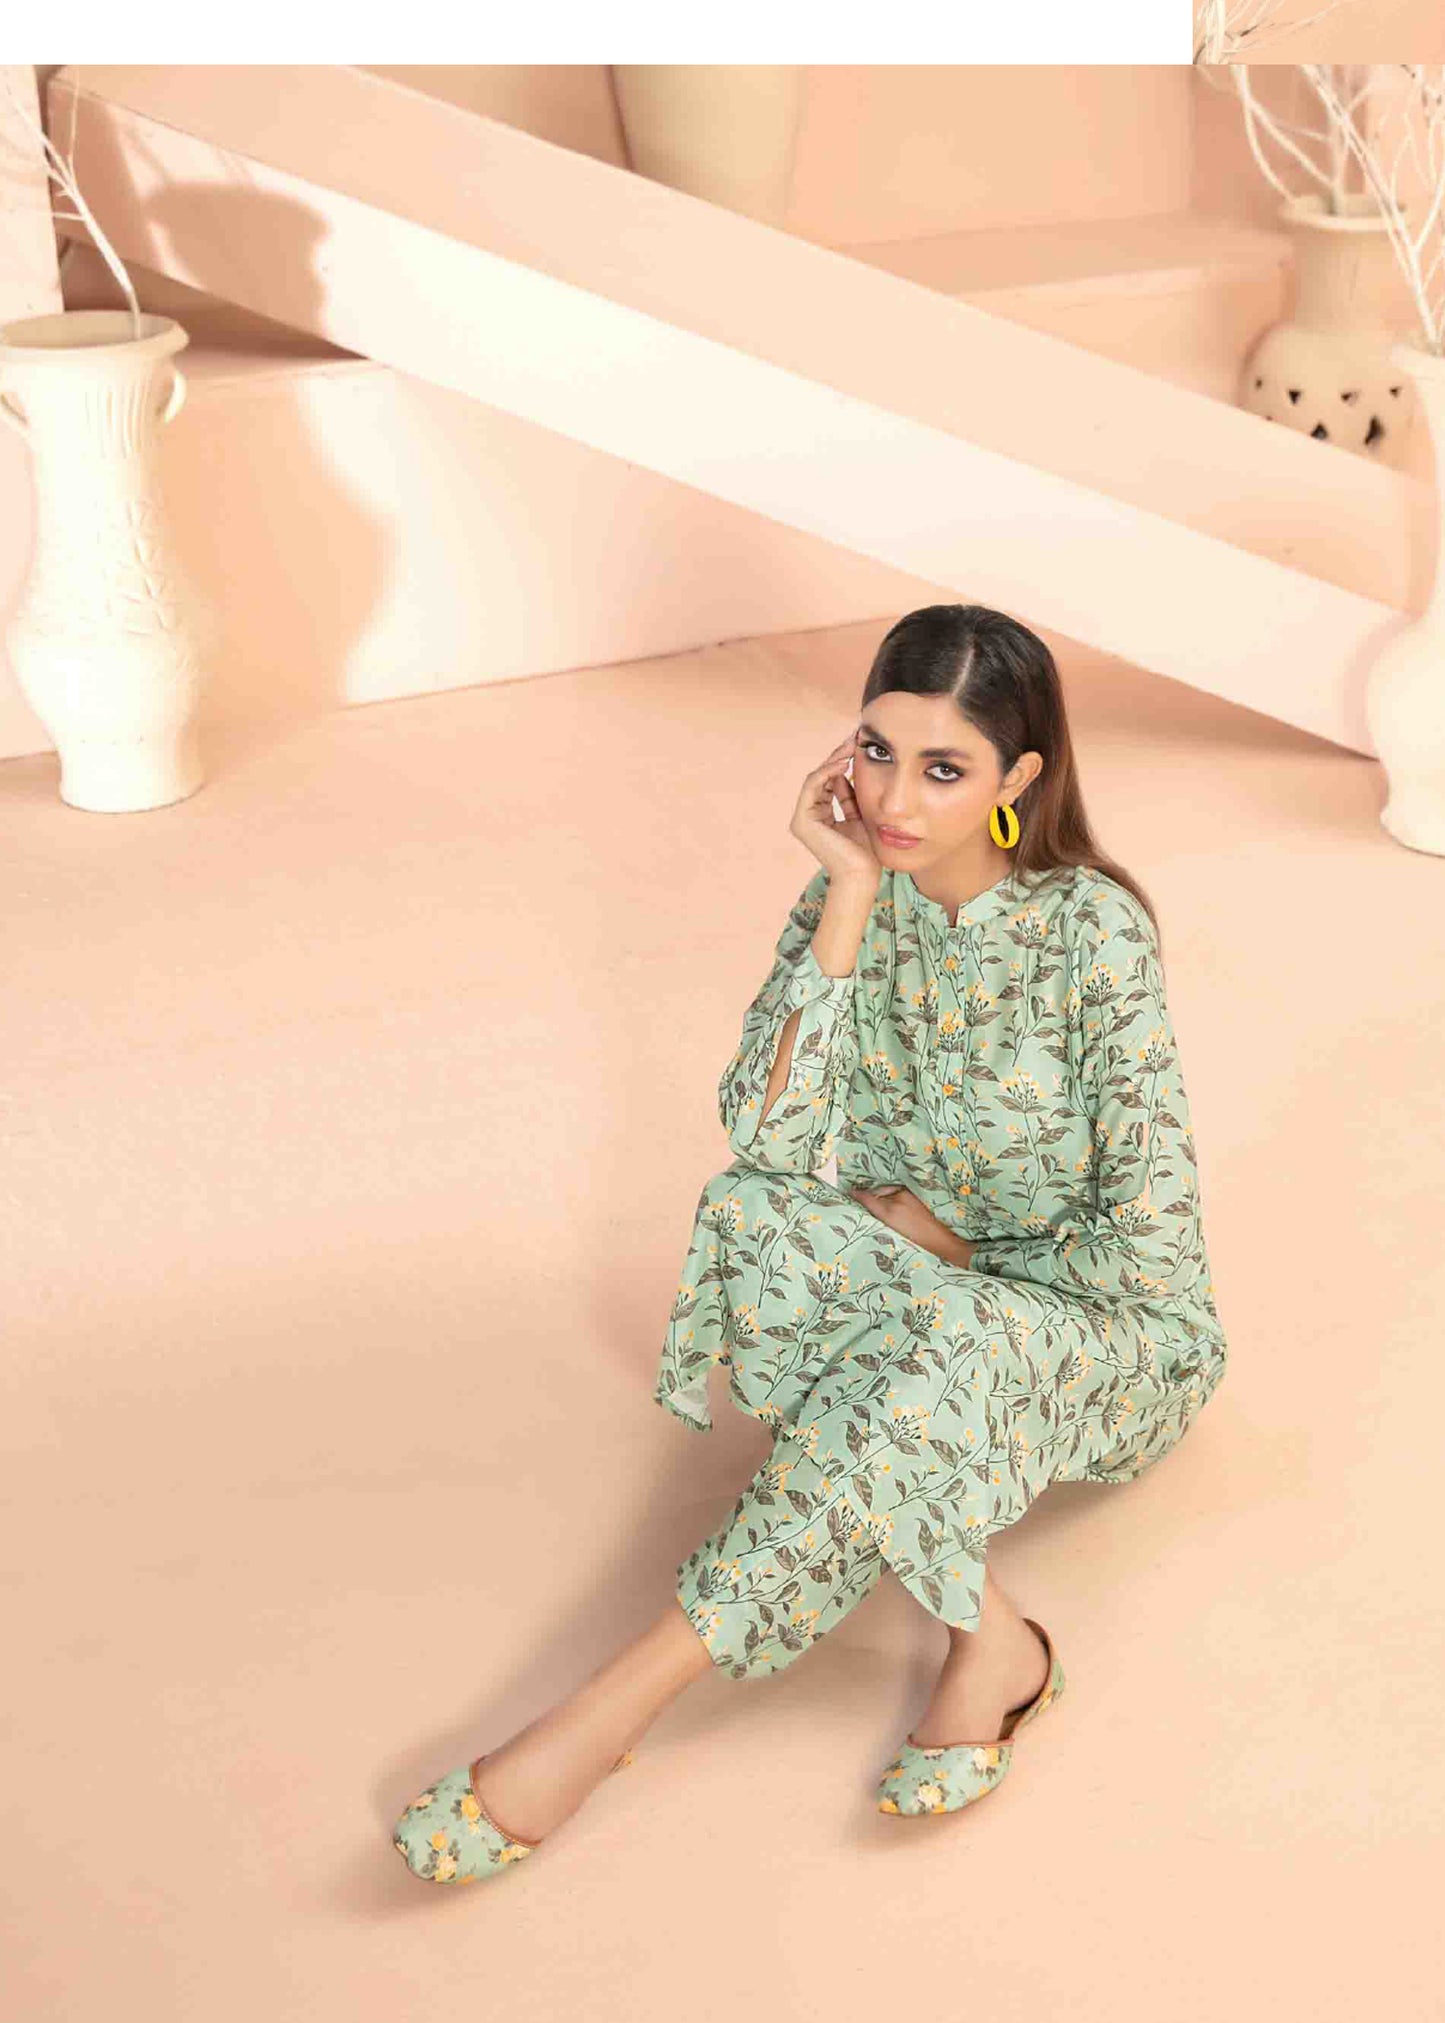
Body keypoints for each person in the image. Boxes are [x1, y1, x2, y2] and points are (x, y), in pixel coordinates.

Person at [392, 603, 1229, 1885]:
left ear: (1017, 779)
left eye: (942, 769)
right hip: (929, 1305)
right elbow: (768, 1139)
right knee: (750, 1212)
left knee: (944, 1335)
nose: (891, 799)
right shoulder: (855, 889)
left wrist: (955, 1250)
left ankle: (614, 1703)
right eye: (876, 750)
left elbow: (1151, 1243)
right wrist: (844, 891)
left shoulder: (1090, 933)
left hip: (1111, 1344)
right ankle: (993, 1632)